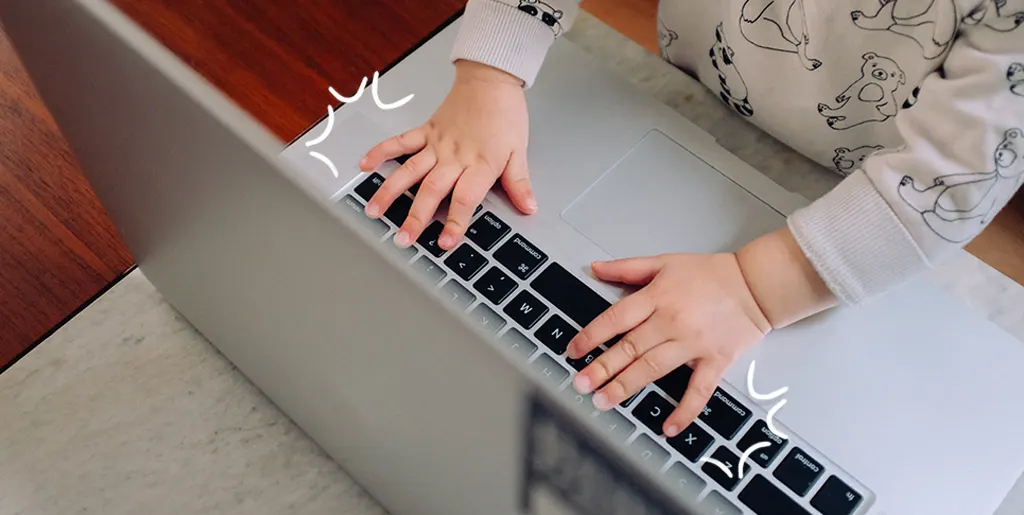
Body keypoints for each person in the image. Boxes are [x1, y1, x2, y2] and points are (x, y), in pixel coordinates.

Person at [357, 0, 1024, 437]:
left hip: (856, 189)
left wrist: (757, 289)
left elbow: (950, 181)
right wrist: (491, 73)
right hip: (687, 84)